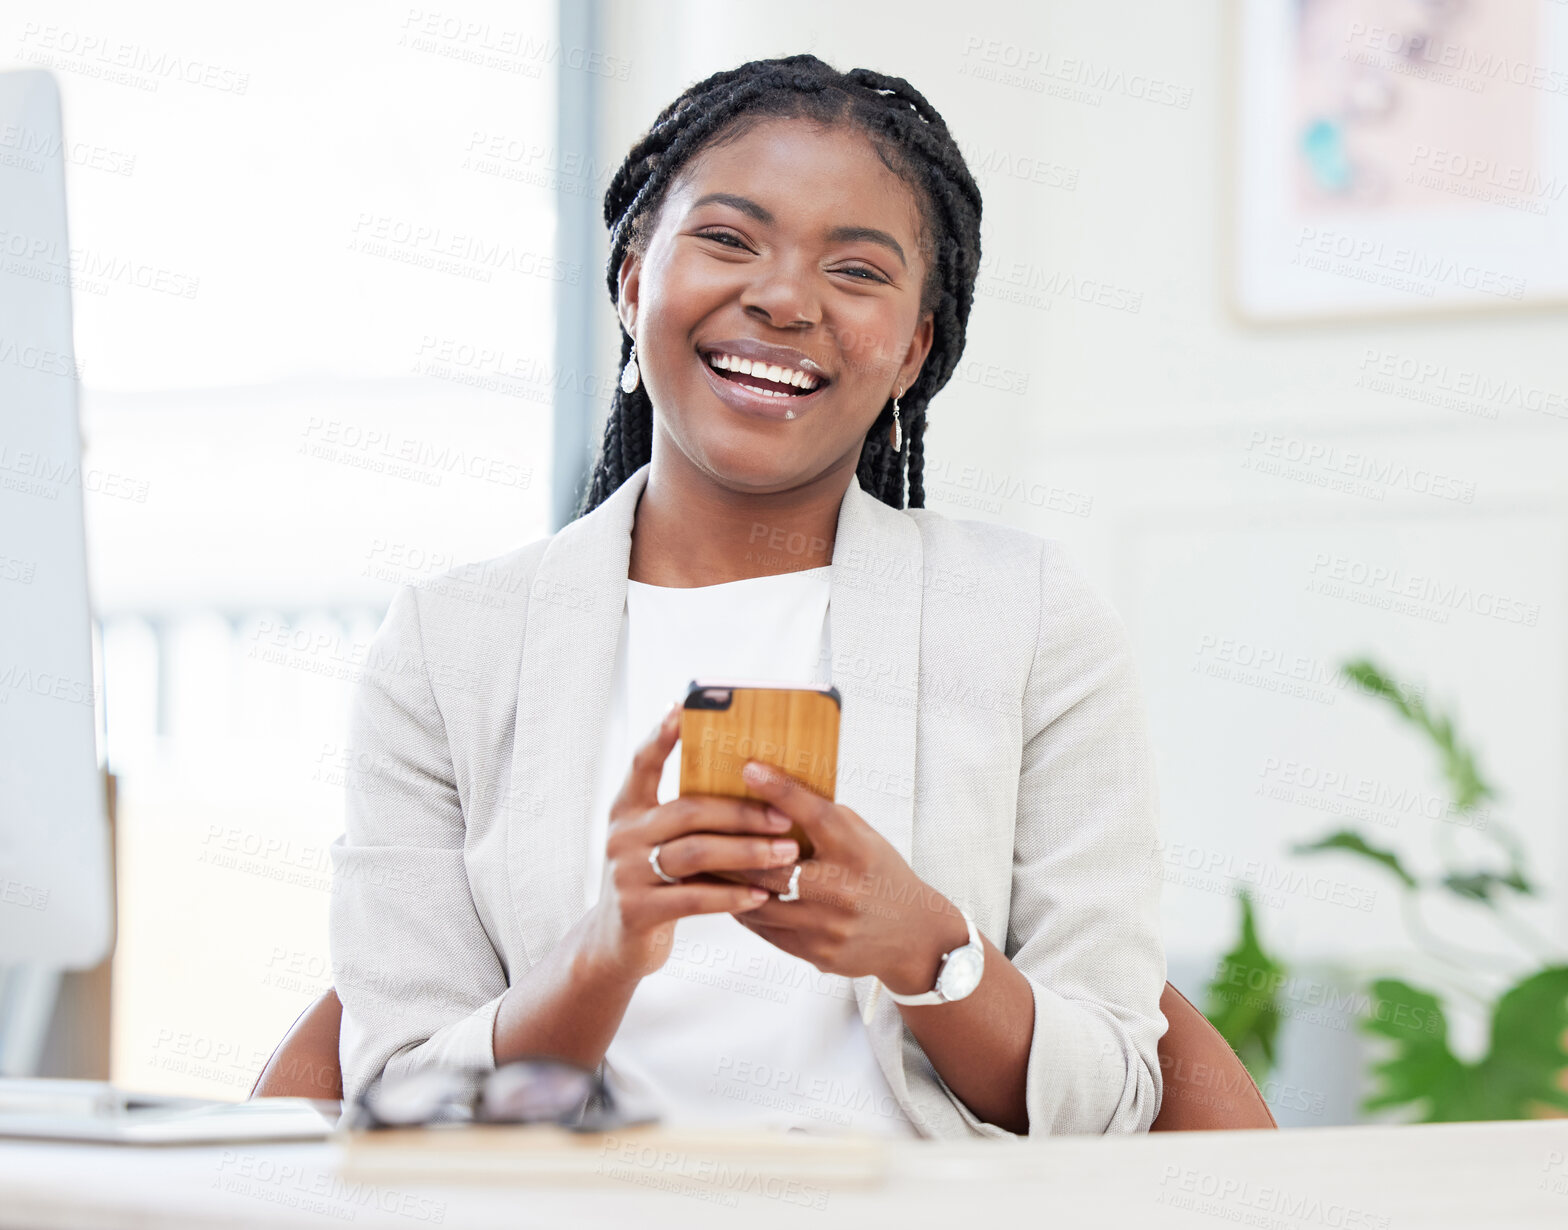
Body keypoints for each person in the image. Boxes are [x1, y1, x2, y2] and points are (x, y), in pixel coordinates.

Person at [329, 53, 1167, 1139]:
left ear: (915, 348)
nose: (782, 298)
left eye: (857, 271)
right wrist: (609, 947)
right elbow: (397, 1096)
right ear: (633, 278)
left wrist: (929, 951)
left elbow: (1111, 1103)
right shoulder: (451, 645)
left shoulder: (1031, 620)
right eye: (727, 239)